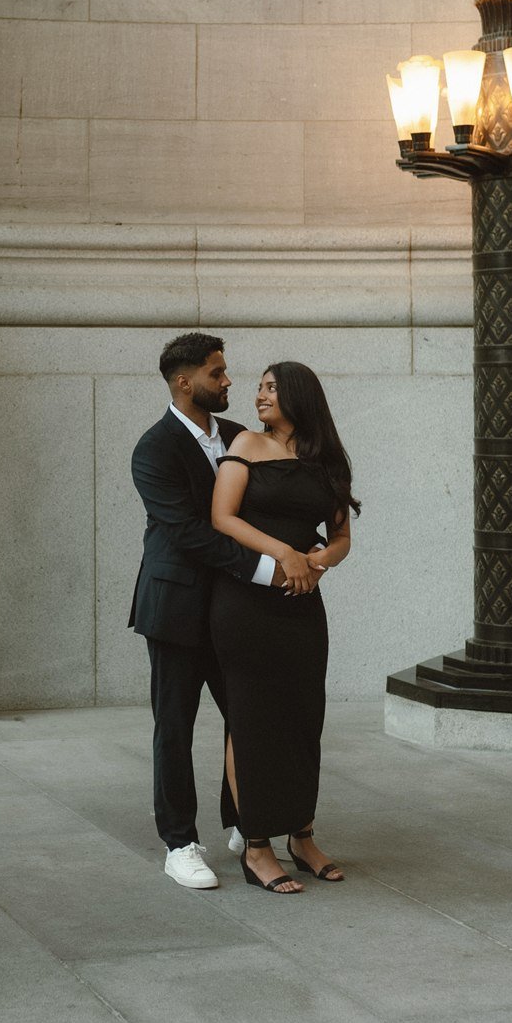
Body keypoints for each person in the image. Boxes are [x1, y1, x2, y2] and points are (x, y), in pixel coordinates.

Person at [128, 334, 316, 889]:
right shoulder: (153, 449)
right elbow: (190, 532)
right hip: (177, 608)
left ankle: (245, 825)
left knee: (250, 717)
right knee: (176, 727)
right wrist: (270, 568)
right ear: (186, 383)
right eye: (218, 373)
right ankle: (180, 843)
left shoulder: (240, 437)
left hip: (238, 612)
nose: (230, 382)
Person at [209, 361, 359, 894]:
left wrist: (318, 563)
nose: (259, 396)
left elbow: (340, 537)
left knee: (302, 717)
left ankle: (303, 836)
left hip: (301, 605)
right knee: (251, 718)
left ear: (299, 394)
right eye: (259, 388)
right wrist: (285, 554)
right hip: (245, 603)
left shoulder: (328, 461)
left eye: (271, 388)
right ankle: (256, 847)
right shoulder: (246, 445)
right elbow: (223, 517)